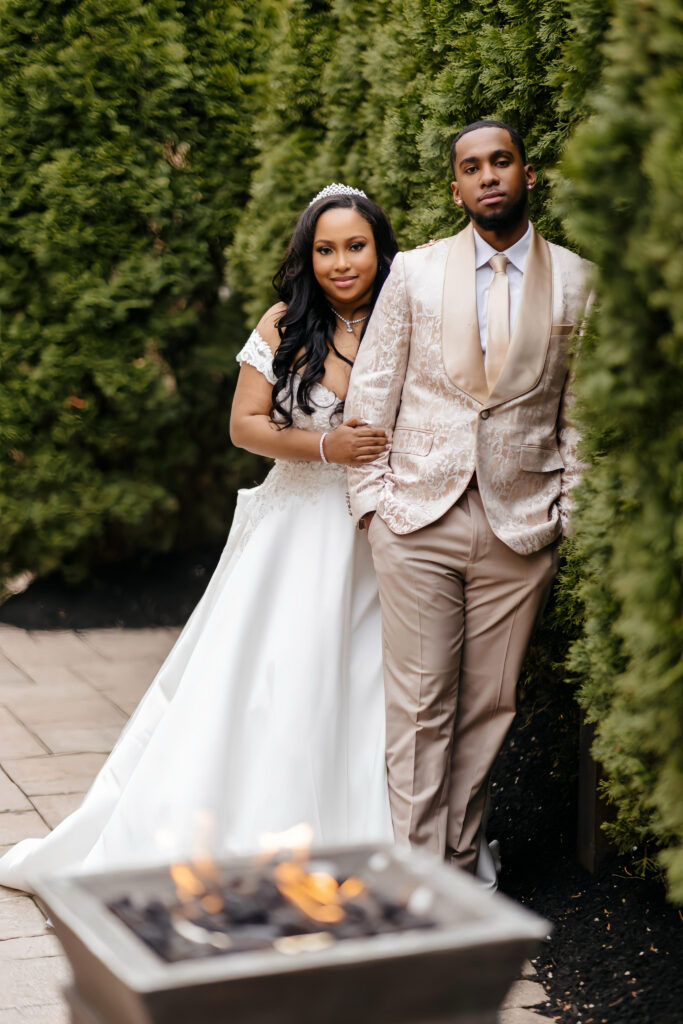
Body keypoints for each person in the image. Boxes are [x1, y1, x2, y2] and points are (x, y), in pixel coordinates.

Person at [0, 184, 398, 893]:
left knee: (365, 687)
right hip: (297, 535)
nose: (342, 262)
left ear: (379, 248)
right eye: (325, 248)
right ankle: (256, 842)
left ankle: (365, 845)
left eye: (355, 246)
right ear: (308, 257)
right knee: (280, 681)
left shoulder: (401, 319)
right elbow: (244, 425)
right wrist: (328, 447)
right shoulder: (283, 324)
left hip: (381, 535)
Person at [345, 121, 593, 880]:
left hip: (520, 531)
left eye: (500, 161)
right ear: (454, 187)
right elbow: (373, 391)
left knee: (489, 710)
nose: (487, 176)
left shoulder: (581, 283)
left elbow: (584, 412)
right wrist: (373, 508)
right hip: (416, 519)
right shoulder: (415, 274)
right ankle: (419, 885)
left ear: (526, 174)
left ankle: (454, 871)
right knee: (419, 710)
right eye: (470, 167)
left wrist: (565, 517)